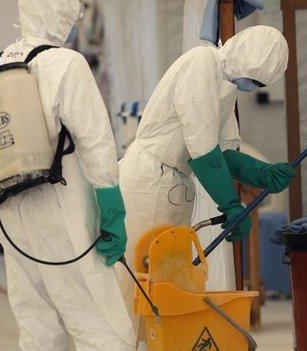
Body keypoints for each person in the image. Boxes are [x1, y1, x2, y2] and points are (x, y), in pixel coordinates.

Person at [118, 25, 294, 333]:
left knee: (168, 281)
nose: (249, 86)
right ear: (241, 55)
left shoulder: (226, 84)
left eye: (256, 83)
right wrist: (229, 203)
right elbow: (201, 147)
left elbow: (223, 150)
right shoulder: (201, 63)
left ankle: (161, 342)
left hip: (175, 184)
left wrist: (260, 172)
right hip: (147, 182)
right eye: (250, 78)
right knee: (137, 278)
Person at [0, 0, 134, 349]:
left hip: (10, 213)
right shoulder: (66, 63)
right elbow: (95, 140)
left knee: (36, 321)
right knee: (96, 318)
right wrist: (112, 209)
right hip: (59, 210)